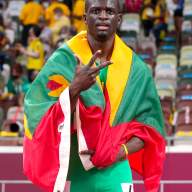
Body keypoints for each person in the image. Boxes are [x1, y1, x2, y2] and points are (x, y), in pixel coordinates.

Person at [23, 0, 166, 192]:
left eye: (109, 11)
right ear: (84, 18)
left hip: (116, 172)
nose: (103, 16)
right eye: (96, 11)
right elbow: (37, 114)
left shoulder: (136, 70)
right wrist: (74, 89)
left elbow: (150, 127)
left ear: (119, 19)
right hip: (75, 172)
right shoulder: (63, 61)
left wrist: (119, 153)